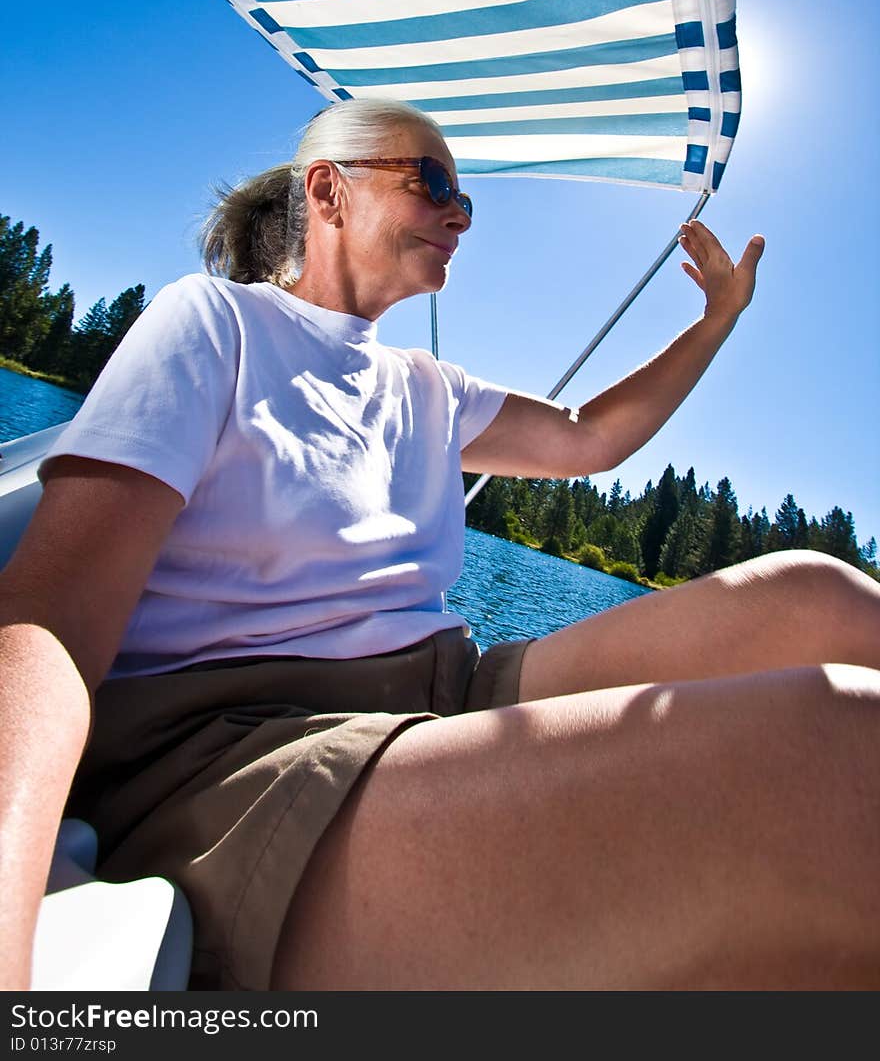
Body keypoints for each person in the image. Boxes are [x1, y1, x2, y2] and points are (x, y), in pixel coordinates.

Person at [1, 97, 878, 992]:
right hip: (248, 753)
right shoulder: (216, 323)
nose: (459, 212)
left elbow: (588, 436)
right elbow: (50, 622)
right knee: (843, 759)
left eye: (463, 196)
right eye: (432, 182)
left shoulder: (428, 385)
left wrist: (714, 323)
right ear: (329, 192)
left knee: (818, 598)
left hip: (440, 689)